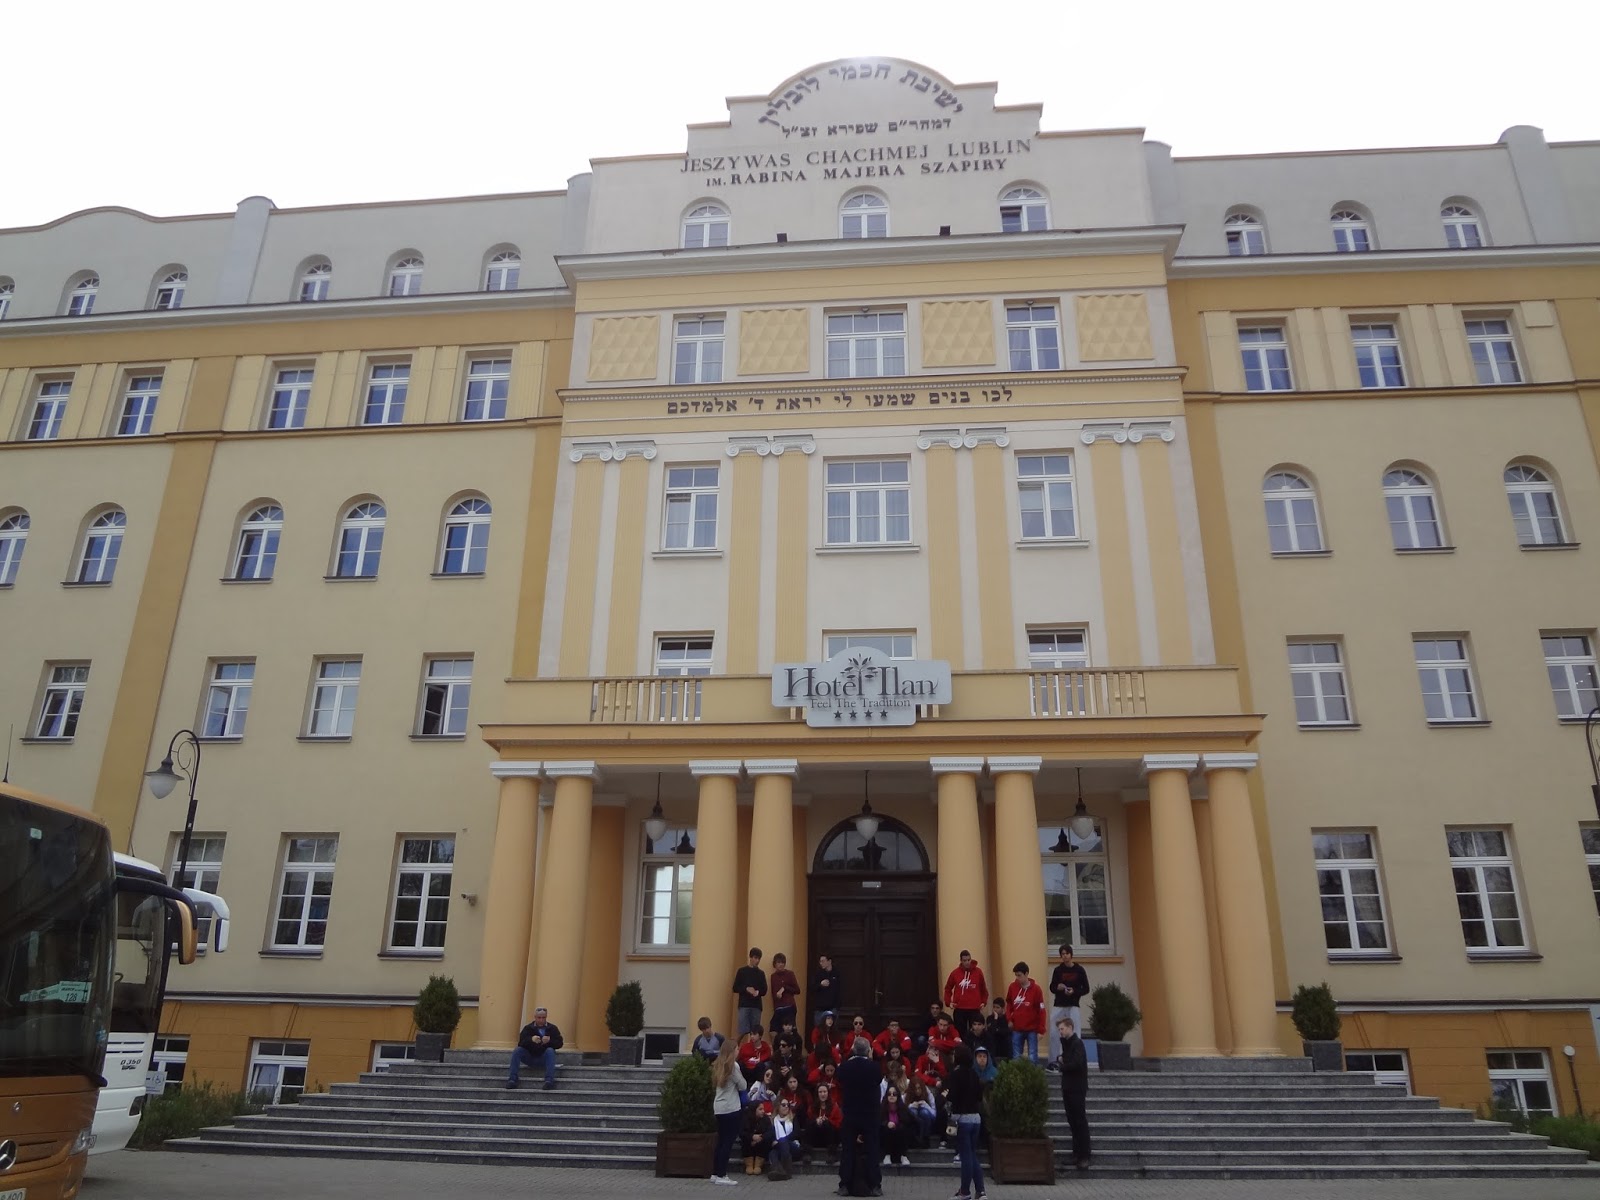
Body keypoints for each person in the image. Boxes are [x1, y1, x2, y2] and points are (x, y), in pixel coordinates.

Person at [835, 1037, 883, 1198]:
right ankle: (875, 1185)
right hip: (870, 1114)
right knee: (872, 1150)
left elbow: (839, 1078)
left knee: (847, 1150)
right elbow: (878, 1080)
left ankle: (845, 1185)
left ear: (853, 1050)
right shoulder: (875, 1067)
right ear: (868, 1050)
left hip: (850, 1114)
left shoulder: (845, 1067)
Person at [947, 1043, 987, 1200]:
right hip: (976, 1118)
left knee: (966, 1156)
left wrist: (946, 1097)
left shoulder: (956, 1074)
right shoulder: (974, 1074)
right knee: (972, 1154)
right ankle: (981, 1191)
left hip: (962, 1119)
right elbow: (978, 1096)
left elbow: (953, 1096)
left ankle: (965, 1191)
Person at [711, 1040, 748, 1185]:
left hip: (719, 1107)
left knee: (720, 1141)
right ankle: (722, 1175)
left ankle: (715, 1173)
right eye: (737, 1049)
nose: (739, 1051)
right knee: (727, 1142)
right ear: (732, 1051)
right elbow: (742, 1085)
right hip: (731, 1107)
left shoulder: (718, 1065)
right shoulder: (733, 1066)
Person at [1047, 944, 1090, 1068]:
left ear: (1071, 955)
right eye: (1062, 954)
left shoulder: (1079, 970)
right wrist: (1058, 988)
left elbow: (1086, 988)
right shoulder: (1058, 970)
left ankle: (1075, 1059)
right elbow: (1052, 987)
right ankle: (1053, 1060)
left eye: (1067, 953)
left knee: (1074, 1032)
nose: (1065, 956)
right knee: (1055, 1032)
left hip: (1073, 1005)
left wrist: (1074, 991)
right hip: (1059, 1004)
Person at [1057, 1016, 1091, 1169]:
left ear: (1070, 1027)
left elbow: (1076, 1063)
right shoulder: (1068, 1044)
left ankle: (1084, 1155)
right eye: (1059, 1029)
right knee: (1072, 1122)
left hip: (1077, 1088)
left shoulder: (1077, 1044)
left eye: (1062, 1029)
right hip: (1068, 1087)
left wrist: (1062, 1065)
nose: (1060, 1032)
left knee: (1080, 1122)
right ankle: (1076, 1153)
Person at [505, 1006, 563, 1090]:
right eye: (539, 1017)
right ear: (535, 1017)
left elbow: (560, 1043)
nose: (541, 1020)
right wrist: (531, 1040)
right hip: (529, 1057)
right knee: (517, 1050)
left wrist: (549, 1041)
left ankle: (549, 1080)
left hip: (544, 1058)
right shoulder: (528, 1028)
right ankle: (512, 1079)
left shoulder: (552, 1028)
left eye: (543, 1018)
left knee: (550, 1050)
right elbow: (521, 1043)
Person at [1006, 961, 1047, 1064]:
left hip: (1032, 1029)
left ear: (1026, 974)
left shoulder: (1036, 990)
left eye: (1019, 975)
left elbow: (1041, 1010)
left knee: (1032, 1056)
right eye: (1016, 976)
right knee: (1016, 1057)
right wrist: (1009, 1019)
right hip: (1017, 1028)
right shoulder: (1012, 987)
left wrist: (1041, 1030)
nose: (1017, 979)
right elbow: (1009, 1005)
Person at [942, 950, 989, 1037]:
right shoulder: (955, 973)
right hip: (960, 1008)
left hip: (974, 1008)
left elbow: (983, 989)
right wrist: (948, 1002)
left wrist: (983, 1002)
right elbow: (948, 988)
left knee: (976, 1032)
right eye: (965, 960)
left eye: (968, 960)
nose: (967, 962)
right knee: (960, 1033)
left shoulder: (978, 972)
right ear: (961, 961)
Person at [733, 948, 768, 1037]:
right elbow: (735, 987)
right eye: (755, 958)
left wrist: (757, 992)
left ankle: (753, 1049)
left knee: (755, 1031)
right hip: (744, 1005)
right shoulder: (742, 971)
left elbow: (764, 990)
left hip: (756, 1006)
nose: (757, 961)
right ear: (750, 957)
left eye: (758, 959)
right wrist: (746, 989)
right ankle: (737, 1048)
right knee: (742, 1031)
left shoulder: (761, 973)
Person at [769, 1096, 803, 1180]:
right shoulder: (772, 1121)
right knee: (772, 1153)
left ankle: (787, 1171)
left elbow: (796, 1133)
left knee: (783, 1142)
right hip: (779, 1149)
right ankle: (778, 1172)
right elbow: (771, 1137)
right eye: (783, 1105)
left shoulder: (793, 1118)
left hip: (794, 1147)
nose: (786, 1107)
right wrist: (779, 1142)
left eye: (788, 1105)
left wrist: (781, 1141)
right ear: (777, 1107)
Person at [879, 1084, 911, 1167]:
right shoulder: (882, 1107)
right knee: (886, 1130)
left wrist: (897, 1125)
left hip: (899, 1133)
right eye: (889, 1094)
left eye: (894, 1094)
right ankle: (887, 1156)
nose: (891, 1096)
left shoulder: (902, 1107)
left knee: (902, 1129)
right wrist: (886, 1123)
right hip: (886, 1134)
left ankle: (903, 1156)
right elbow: (878, 1121)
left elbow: (907, 1120)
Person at [769, 952, 801, 1033]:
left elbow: (797, 990)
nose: (781, 965)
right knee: (775, 1029)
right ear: (775, 964)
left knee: (790, 1030)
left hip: (789, 1006)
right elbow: (773, 993)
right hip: (778, 1008)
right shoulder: (773, 976)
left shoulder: (790, 974)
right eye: (779, 962)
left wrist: (785, 988)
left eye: (783, 962)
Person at [810, 1081, 842, 1160]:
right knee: (810, 1124)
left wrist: (828, 1121)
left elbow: (839, 1123)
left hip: (831, 1137)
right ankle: (807, 1153)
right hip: (817, 1135)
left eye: (824, 1092)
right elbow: (810, 1119)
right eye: (820, 1092)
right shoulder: (813, 1107)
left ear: (828, 1093)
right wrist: (816, 1121)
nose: (822, 1094)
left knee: (827, 1124)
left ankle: (832, 1155)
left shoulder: (834, 1106)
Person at [742, 1098, 774, 1175]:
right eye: (760, 1109)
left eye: (763, 1109)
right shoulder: (745, 1119)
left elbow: (770, 1132)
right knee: (745, 1143)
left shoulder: (766, 1119)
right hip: (749, 1142)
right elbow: (742, 1132)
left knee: (765, 1143)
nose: (763, 1111)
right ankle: (749, 1164)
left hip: (761, 1143)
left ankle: (758, 1165)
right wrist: (752, 1137)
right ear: (754, 1110)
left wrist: (761, 1138)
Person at [810, 953, 840, 1023]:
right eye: (820, 961)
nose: (821, 963)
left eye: (823, 961)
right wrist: (820, 984)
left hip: (833, 1008)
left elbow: (840, 989)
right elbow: (812, 988)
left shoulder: (837, 973)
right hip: (820, 1008)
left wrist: (837, 1006)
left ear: (829, 961)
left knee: (832, 1029)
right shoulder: (818, 974)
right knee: (819, 1029)